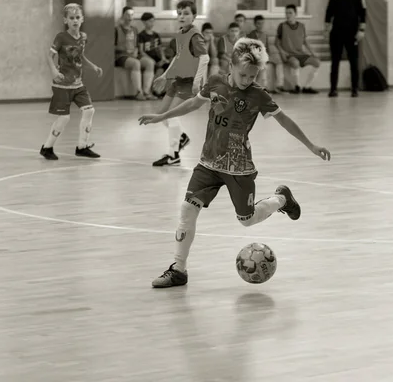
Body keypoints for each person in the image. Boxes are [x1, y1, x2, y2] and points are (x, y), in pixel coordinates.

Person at [138, 38, 331, 288]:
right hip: (208, 163)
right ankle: (179, 269)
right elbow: (194, 103)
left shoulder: (258, 95)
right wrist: (162, 116)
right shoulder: (216, 82)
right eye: (243, 75)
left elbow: (284, 121)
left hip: (238, 167)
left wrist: (311, 145)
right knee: (187, 210)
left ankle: (282, 199)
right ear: (231, 65)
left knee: (247, 220)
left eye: (252, 76)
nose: (247, 80)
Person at [150, 0, 210, 167]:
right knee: (161, 115)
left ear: (194, 16)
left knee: (172, 115)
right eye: (179, 13)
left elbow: (205, 58)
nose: (182, 16)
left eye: (186, 13)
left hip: (189, 82)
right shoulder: (181, 34)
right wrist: (165, 76)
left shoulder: (195, 36)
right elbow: (177, 58)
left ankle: (173, 155)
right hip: (177, 80)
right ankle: (181, 138)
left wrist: (197, 82)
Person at [41, 3, 102, 161]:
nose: (75, 20)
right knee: (64, 118)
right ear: (65, 20)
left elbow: (79, 56)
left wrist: (93, 66)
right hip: (62, 85)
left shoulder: (83, 37)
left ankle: (82, 147)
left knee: (89, 110)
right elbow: (49, 56)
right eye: (71, 18)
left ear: (82, 19)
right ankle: (47, 147)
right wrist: (54, 71)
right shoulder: (61, 37)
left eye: (77, 17)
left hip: (78, 84)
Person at [324, 0, 366, 97]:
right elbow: (329, 12)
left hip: (352, 33)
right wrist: (326, 30)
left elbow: (362, 13)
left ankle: (354, 89)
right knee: (335, 62)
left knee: (353, 61)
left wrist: (361, 30)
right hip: (336, 33)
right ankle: (333, 89)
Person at [275, 4, 320, 94]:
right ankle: (297, 86)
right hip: (289, 54)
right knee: (296, 63)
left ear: (295, 14)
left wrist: (312, 52)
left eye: (290, 13)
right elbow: (276, 43)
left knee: (317, 63)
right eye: (286, 13)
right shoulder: (282, 26)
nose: (288, 15)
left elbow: (305, 41)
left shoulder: (302, 26)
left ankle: (307, 87)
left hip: (301, 53)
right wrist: (282, 53)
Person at [115, 6, 156, 100]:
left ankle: (146, 91)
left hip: (133, 55)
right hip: (121, 56)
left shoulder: (134, 29)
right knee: (136, 63)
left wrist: (136, 52)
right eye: (127, 14)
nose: (130, 17)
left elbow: (137, 45)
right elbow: (112, 46)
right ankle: (138, 92)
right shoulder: (116, 29)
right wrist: (124, 49)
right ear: (122, 15)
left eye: (132, 14)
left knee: (150, 63)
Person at [247, 14, 284, 93]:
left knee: (279, 61)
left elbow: (267, 49)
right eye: (258, 23)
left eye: (262, 23)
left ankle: (279, 85)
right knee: (263, 66)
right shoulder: (250, 35)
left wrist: (268, 56)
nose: (260, 25)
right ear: (255, 24)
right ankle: (265, 86)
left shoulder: (264, 35)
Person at [138, 12, 170, 83]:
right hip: (148, 58)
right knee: (154, 66)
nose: (152, 23)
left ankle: (162, 88)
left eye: (153, 21)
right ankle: (154, 86)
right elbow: (141, 51)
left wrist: (163, 58)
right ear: (144, 22)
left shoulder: (156, 35)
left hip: (157, 58)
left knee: (168, 65)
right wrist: (151, 60)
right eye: (150, 21)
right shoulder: (141, 35)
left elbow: (160, 48)